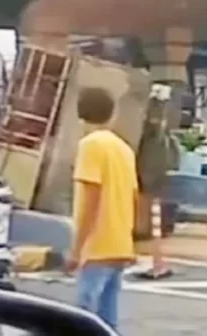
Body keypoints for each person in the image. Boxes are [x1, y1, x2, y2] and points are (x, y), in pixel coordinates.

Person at [66, 87, 138, 331]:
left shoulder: (90, 146)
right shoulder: (124, 149)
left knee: (84, 315)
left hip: (97, 245)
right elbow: (133, 197)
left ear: (80, 113)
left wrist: (77, 249)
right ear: (111, 113)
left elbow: (91, 199)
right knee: (108, 318)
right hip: (119, 244)